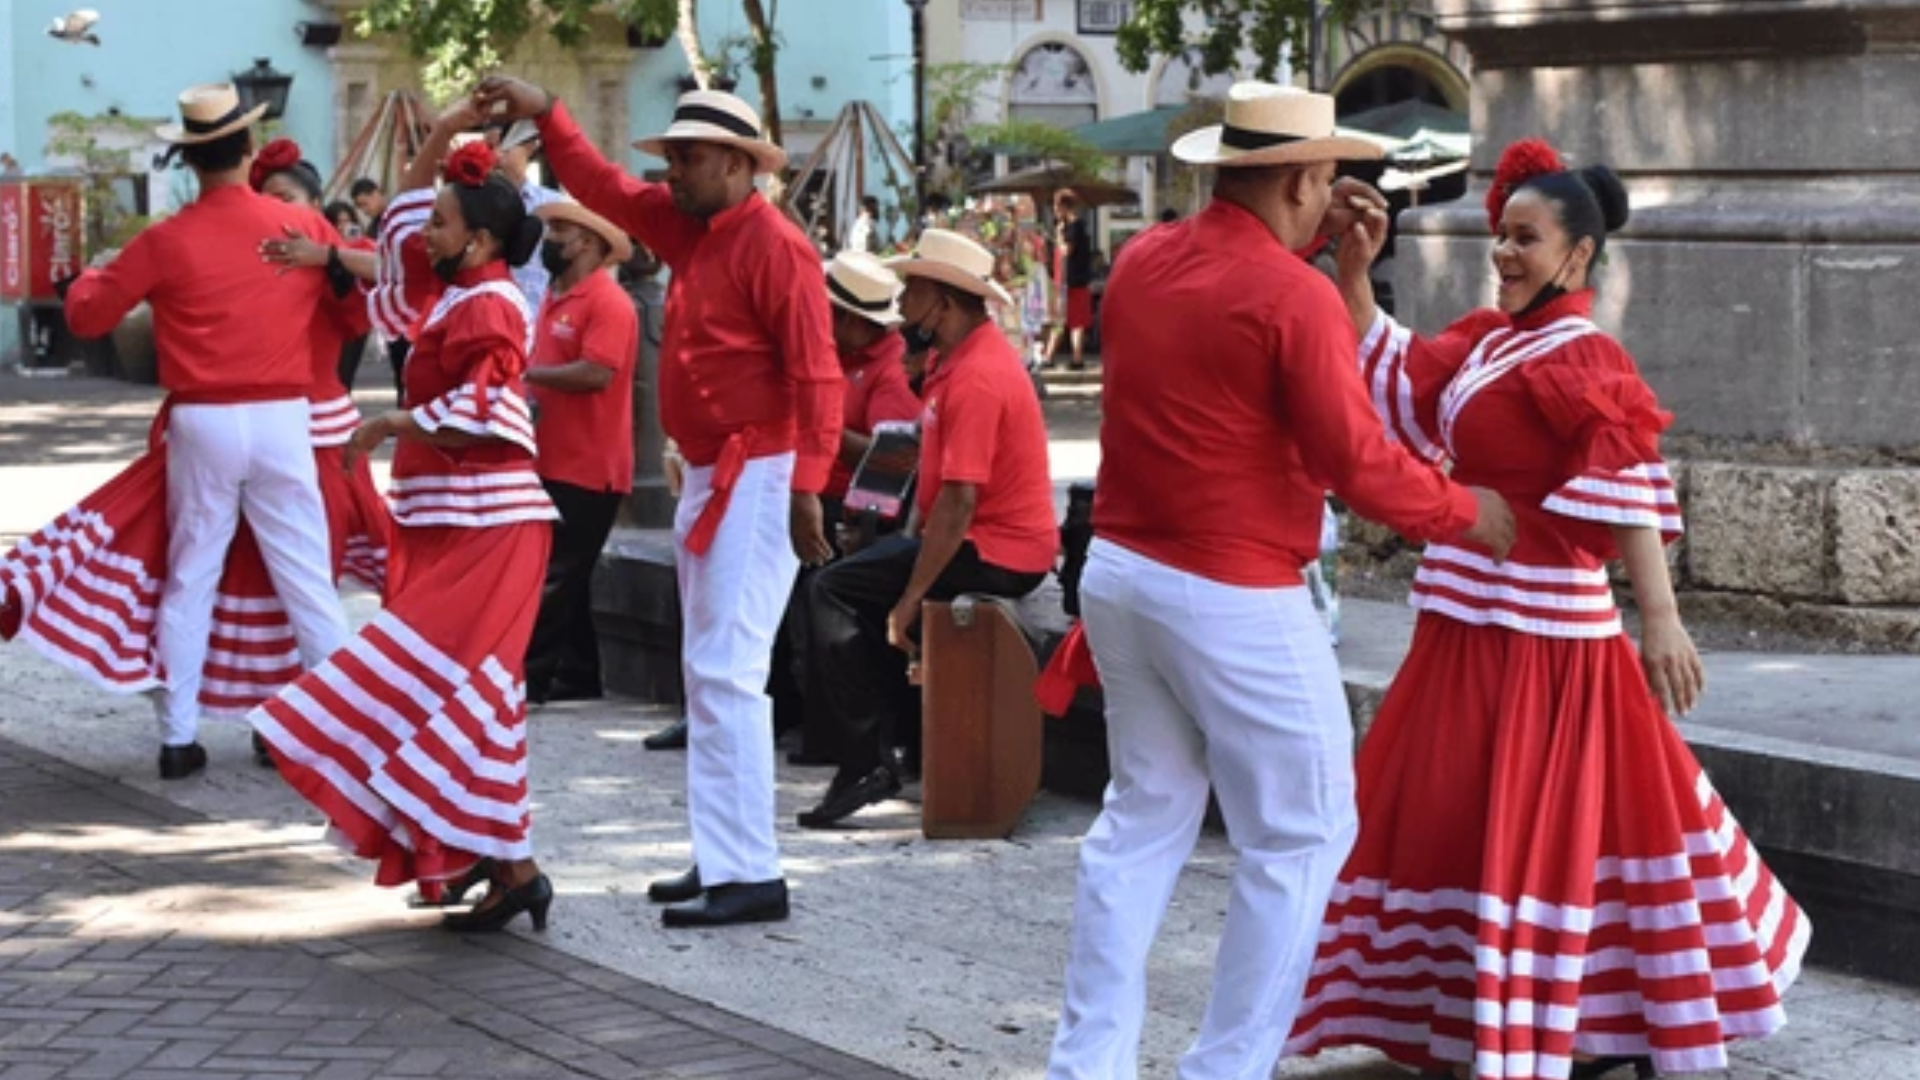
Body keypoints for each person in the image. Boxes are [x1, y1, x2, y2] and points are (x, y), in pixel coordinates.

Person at [1283, 138, 1810, 1080]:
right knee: (1470, 815)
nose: (1504, 252)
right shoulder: (1493, 338)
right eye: (1503, 234)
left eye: (1526, 239)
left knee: (1555, 828)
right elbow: (1403, 387)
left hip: (1545, 633)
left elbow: (1629, 478)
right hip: (1466, 618)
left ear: (1580, 254)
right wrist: (1355, 276)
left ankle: (1570, 1019)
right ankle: (1501, 1016)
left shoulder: (1583, 353)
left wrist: (1660, 618)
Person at [1042, 83, 1518, 1080]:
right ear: (1302, 180)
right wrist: (1466, 511)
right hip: (1232, 590)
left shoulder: (1143, 260)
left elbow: (1233, 324)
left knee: (1140, 822)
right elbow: (1358, 462)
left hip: (1120, 572)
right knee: (1302, 834)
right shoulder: (1291, 296)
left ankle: (1086, 1066)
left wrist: (1328, 264)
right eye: (1327, 176)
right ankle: (1224, 1068)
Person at [476, 76, 842, 928]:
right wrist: (548, 111)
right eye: (672, 156)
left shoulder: (775, 246)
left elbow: (818, 373)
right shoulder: (696, 226)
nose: (672, 171)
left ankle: (748, 869)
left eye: (688, 157)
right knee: (711, 670)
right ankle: (727, 855)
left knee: (727, 671)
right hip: (723, 471)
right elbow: (602, 186)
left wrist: (808, 487)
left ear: (739, 164)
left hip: (758, 470)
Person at [249, 114, 560, 932]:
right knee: (457, 694)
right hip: (454, 521)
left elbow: (490, 410)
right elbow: (396, 235)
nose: (426, 232)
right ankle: (489, 859)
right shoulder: (459, 292)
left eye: (442, 224)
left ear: (480, 241)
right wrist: (445, 133)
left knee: (456, 690)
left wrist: (396, 422)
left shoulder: (490, 305)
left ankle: (505, 863)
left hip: (489, 528)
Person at [50, 84, 352, 779]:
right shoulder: (300, 226)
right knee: (307, 579)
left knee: (192, 575)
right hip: (284, 415)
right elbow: (356, 300)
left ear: (190, 160)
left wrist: (89, 277)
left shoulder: (165, 239)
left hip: (201, 419)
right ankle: (339, 733)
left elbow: (89, 317)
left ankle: (179, 738)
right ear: (249, 150)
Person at [798, 229, 1056, 828]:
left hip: (998, 548)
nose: (902, 299)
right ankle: (888, 748)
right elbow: (919, 460)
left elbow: (958, 502)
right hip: (963, 533)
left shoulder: (977, 374)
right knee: (849, 589)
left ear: (941, 302)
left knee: (831, 590)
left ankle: (866, 759)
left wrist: (909, 597)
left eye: (912, 287)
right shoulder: (948, 362)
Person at [773, 250, 923, 765]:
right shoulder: (831, 351)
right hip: (805, 488)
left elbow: (893, 458)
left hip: (852, 503)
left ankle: (833, 732)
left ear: (854, 321)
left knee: (822, 593)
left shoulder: (890, 367)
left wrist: (822, 429)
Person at [521, 199, 639, 705]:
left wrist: (525, 375)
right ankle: (579, 674)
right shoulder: (556, 295)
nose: (549, 241)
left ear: (588, 243)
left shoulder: (608, 302)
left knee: (557, 573)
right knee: (569, 571)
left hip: (590, 462)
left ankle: (530, 679)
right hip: (553, 454)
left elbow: (596, 372)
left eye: (559, 232)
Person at [490, 118, 563, 311]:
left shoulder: (555, 202)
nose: (496, 155)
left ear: (530, 148)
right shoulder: (473, 202)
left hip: (539, 312)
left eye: (505, 148)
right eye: (490, 147)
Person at [1044, 190, 1093, 371]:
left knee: (1067, 320)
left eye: (1056, 206)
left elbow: (1066, 250)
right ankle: (1067, 357)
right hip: (1070, 280)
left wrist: (1058, 236)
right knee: (1070, 320)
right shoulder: (1075, 226)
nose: (1054, 210)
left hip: (1070, 280)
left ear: (1064, 206)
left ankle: (1060, 356)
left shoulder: (1073, 227)